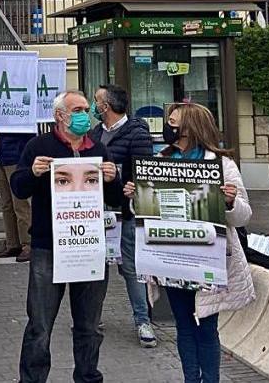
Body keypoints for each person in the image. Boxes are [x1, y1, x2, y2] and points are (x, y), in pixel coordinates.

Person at [125, 103, 254, 383]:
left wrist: (230, 201)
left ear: (190, 128)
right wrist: (137, 197)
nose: (167, 127)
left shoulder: (221, 164)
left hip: (208, 257)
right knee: (183, 327)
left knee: (206, 327)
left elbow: (244, 216)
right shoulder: (161, 159)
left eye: (172, 122)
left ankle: (210, 379)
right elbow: (147, 215)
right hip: (173, 257)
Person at [11, 90, 119, 383]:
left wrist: (113, 180)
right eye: (79, 109)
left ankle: (87, 377)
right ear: (60, 115)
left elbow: (115, 199)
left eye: (86, 108)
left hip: (89, 246)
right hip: (49, 248)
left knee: (90, 326)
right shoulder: (38, 146)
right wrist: (32, 173)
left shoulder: (97, 148)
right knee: (40, 325)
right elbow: (19, 189)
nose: (86, 114)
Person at [88, 84, 157, 348]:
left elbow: (146, 172)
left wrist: (133, 186)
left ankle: (142, 320)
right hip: (98, 211)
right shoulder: (95, 134)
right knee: (97, 267)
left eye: (96, 102)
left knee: (131, 267)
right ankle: (92, 318)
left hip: (125, 213)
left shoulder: (136, 133)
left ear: (106, 107)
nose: (93, 107)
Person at [0, 131, 34, 262]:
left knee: (20, 204)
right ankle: (13, 243)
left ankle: (28, 244)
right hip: (2, 155)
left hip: (18, 154)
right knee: (7, 204)